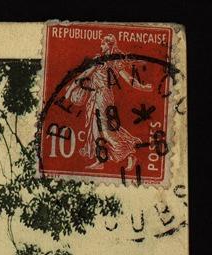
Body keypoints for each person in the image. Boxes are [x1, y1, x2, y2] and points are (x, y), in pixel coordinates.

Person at [65, 35, 154, 170]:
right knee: (96, 130)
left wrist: (141, 87)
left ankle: (129, 153)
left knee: (106, 131)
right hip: (95, 97)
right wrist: (71, 88)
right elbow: (85, 74)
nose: (101, 46)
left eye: (103, 44)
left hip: (104, 97)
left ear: (109, 45)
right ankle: (100, 160)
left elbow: (128, 78)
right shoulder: (98, 59)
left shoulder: (115, 62)